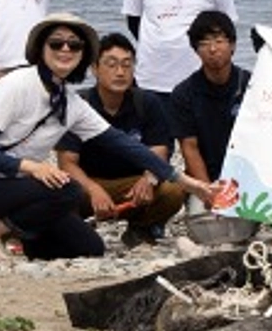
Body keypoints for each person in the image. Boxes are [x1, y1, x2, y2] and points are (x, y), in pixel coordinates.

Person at [0, 13, 214, 260]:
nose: (66, 49)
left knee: (89, 248)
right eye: (56, 43)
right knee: (68, 190)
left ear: (83, 55)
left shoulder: (69, 103)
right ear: (41, 48)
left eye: (74, 45)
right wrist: (33, 167)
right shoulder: (17, 84)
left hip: (19, 192)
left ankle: (18, 239)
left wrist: (191, 184)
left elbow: (125, 145)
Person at [55, 33, 183, 248]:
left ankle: (141, 228)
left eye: (127, 65)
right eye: (111, 65)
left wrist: (149, 177)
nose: (120, 72)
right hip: (89, 183)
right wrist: (93, 190)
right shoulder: (79, 105)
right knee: (57, 195)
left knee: (173, 190)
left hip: (133, 184)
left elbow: (160, 148)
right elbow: (67, 163)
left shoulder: (147, 102)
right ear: (94, 69)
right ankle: (74, 229)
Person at [170, 11, 250, 213]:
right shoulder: (183, 94)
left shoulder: (251, 85)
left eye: (219, 40)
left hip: (246, 177)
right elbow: (190, 148)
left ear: (232, 45)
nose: (213, 49)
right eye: (204, 43)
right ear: (196, 50)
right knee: (204, 223)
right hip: (207, 178)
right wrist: (208, 191)